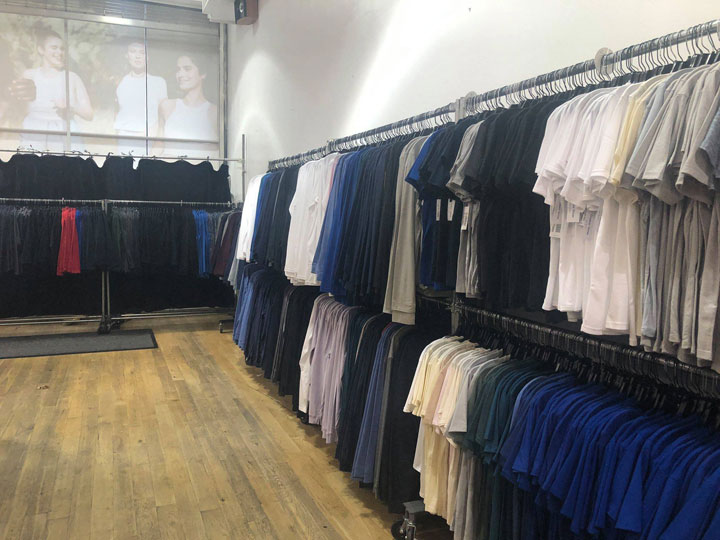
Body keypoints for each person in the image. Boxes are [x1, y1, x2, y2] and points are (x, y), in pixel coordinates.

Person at [17, 28, 93, 152]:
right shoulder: (29, 75)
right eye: (54, 48)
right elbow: (20, 109)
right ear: (41, 50)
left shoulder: (72, 77)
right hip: (34, 133)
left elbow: (89, 114)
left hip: (63, 133)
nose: (59, 52)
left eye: (62, 49)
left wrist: (70, 107)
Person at [156, 54, 217, 159]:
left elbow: (216, 154)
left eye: (187, 69)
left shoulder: (214, 112)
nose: (180, 74)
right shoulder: (167, 106)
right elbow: (158, 147)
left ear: (202, 74)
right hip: (167, 167)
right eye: (178, 70)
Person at [115, 40, 167, 155]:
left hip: (149, 141)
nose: (137, 56)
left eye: (142, 52)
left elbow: (163, 117)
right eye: (133, 51)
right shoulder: (121, 82)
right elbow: (119, 113)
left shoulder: (158, 82)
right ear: (126, 55)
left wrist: (156, 143)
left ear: (148, 57)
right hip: (124, 141)